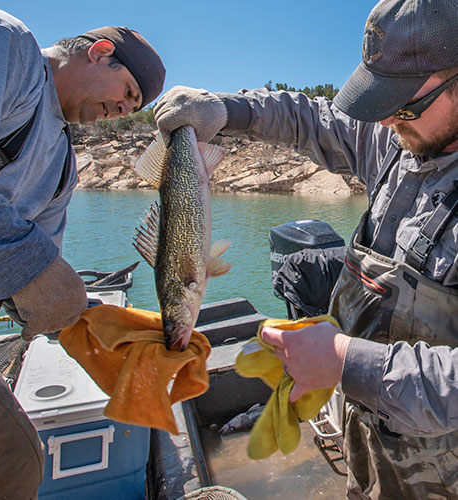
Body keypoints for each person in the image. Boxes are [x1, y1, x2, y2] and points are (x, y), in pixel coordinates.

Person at [154, 0, 458, 498]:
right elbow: (312, 119)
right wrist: (228, 110)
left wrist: (343, 361)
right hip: (373, 460)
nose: (384, 123)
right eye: (378, 104)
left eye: (402, 105)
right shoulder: (400, 141)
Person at [0, 3, 165, 499]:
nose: (125, 110)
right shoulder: (2, 42)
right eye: (128, 93)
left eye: (135, 109)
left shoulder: (62, 171)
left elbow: (40, 279)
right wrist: (26, 264)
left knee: (9, 464)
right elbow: (29, 264)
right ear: (99, 53)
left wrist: (84, 317)